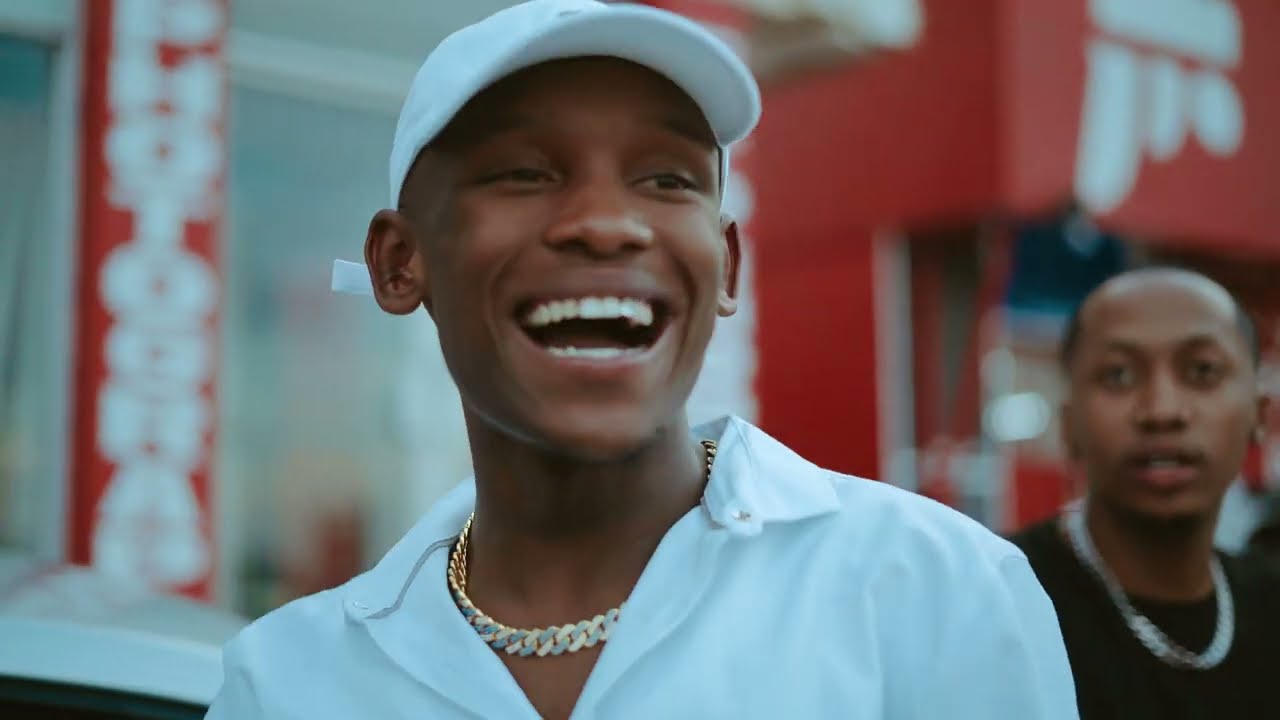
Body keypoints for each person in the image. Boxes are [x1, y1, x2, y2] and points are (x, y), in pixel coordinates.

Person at [207, 1, 1077, 718]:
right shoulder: (289, 683)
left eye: (667, 179)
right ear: (402, 264)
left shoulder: (932, 591)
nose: (606, 224)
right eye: (522, 172)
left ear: (727, 265)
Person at [1012, 267, 1280, 720]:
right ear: (1069, 424)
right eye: (1118, 375)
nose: (1162, 410)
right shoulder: (1004, 602)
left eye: (1202, 371)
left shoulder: (1271, 604)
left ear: (1259, 414)